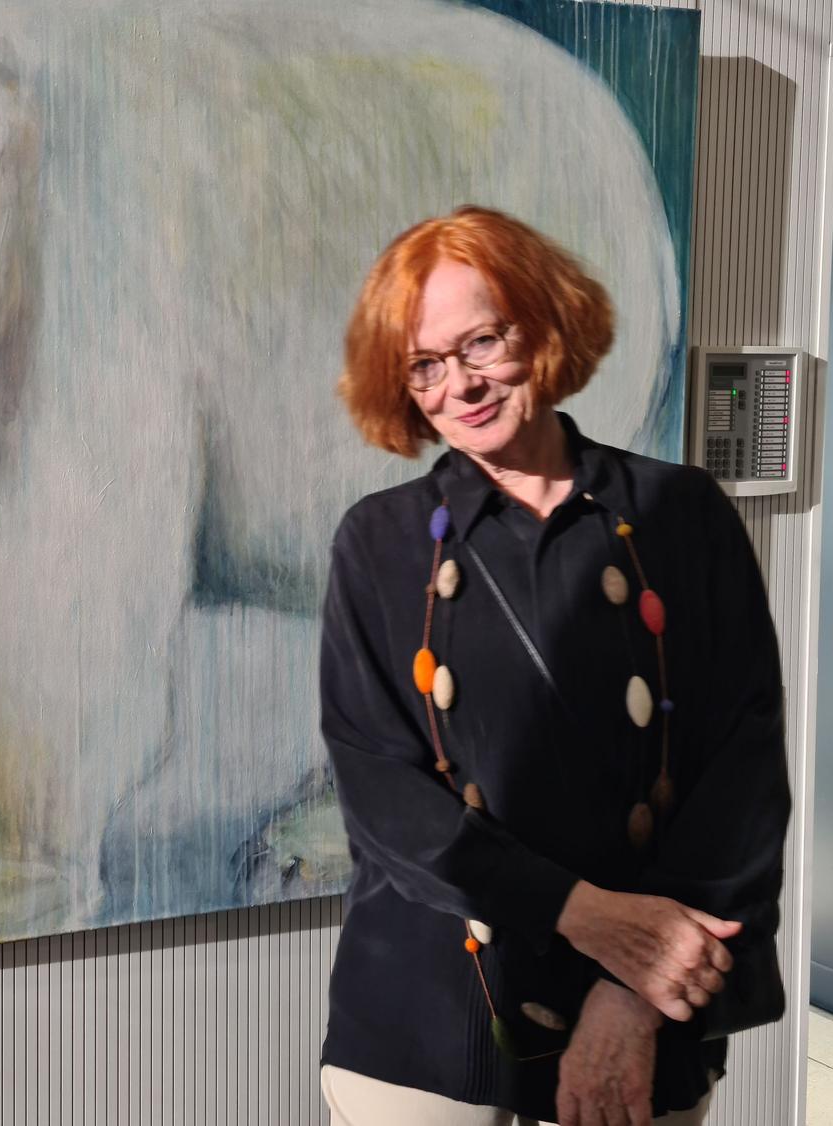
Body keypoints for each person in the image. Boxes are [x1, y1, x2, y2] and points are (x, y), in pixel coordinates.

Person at [317, 205, 791, 1126]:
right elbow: (382, 794)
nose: (459, 384)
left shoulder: (680, 513)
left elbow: (741, 773)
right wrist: (589, 916)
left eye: (481, 342)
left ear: (540, 325)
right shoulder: (376, 541)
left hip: (646, 1005)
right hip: (429, 1018)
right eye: (423, 364)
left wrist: (634, 990)